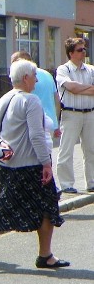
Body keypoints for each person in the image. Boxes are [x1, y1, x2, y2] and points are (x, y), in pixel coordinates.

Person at [0, 59, 68, 271]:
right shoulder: (31, 101)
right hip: (31, 166)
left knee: (6, 208)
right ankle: (42, 255)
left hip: (8, 167)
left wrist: (2, 145)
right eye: (35, 76)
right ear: (26, 78)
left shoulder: (4, 100)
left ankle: (44, 254)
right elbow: (37, 135)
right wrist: (47, 164)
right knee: (46, 207)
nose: (37, 80)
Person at [55, 37, 94, 194]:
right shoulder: (64, 70)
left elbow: (78, 88)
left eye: (84, 49)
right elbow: (70, 87)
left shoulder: (91, 69)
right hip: (71, 113)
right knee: (66, 149)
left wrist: (78, 89)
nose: (83, 52)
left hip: (90, 113)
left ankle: (91, 182)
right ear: (71, 53)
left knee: (91, 149)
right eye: (79, 50)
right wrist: (86, 88)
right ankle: (66, 184)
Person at [11, 50, 61, 150]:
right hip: (49, 122)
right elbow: (56, 100)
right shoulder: (48, 74)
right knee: (47, 151)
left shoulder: (26, 78)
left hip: (31, 123)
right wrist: (56, 123)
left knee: (33, 156)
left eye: (14, 63)